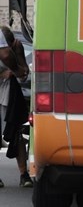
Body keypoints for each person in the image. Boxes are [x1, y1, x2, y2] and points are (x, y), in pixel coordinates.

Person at [0, 27, 32, 188]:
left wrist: (18, 56)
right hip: (5, 95)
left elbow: (24, 72)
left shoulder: (14, 52)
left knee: (18, 133)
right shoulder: (4, 52)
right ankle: (23, 174)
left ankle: (23, 174)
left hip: (10, 96)